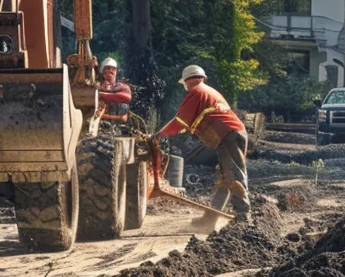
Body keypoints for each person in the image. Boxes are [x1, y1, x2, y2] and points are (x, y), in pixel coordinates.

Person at [156, 65, 251, 221]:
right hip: (233, 133)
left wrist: (159, 134)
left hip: (228, 134)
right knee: (226, 178)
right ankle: (210, 219)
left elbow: (179, 121)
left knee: (233, 174)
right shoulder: (209, 91)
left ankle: (244, 216)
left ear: (187, 81)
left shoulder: (196, 92)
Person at [96, 57, 134, 135]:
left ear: (116, 71)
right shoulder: (97, 87)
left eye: (113, 69)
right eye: (108, 68)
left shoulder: (123, 87)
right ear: (103, 71)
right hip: (101, 127)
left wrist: (101, 95)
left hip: (120, 127)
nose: (110, 70)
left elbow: (126, 97)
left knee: (122, 104)